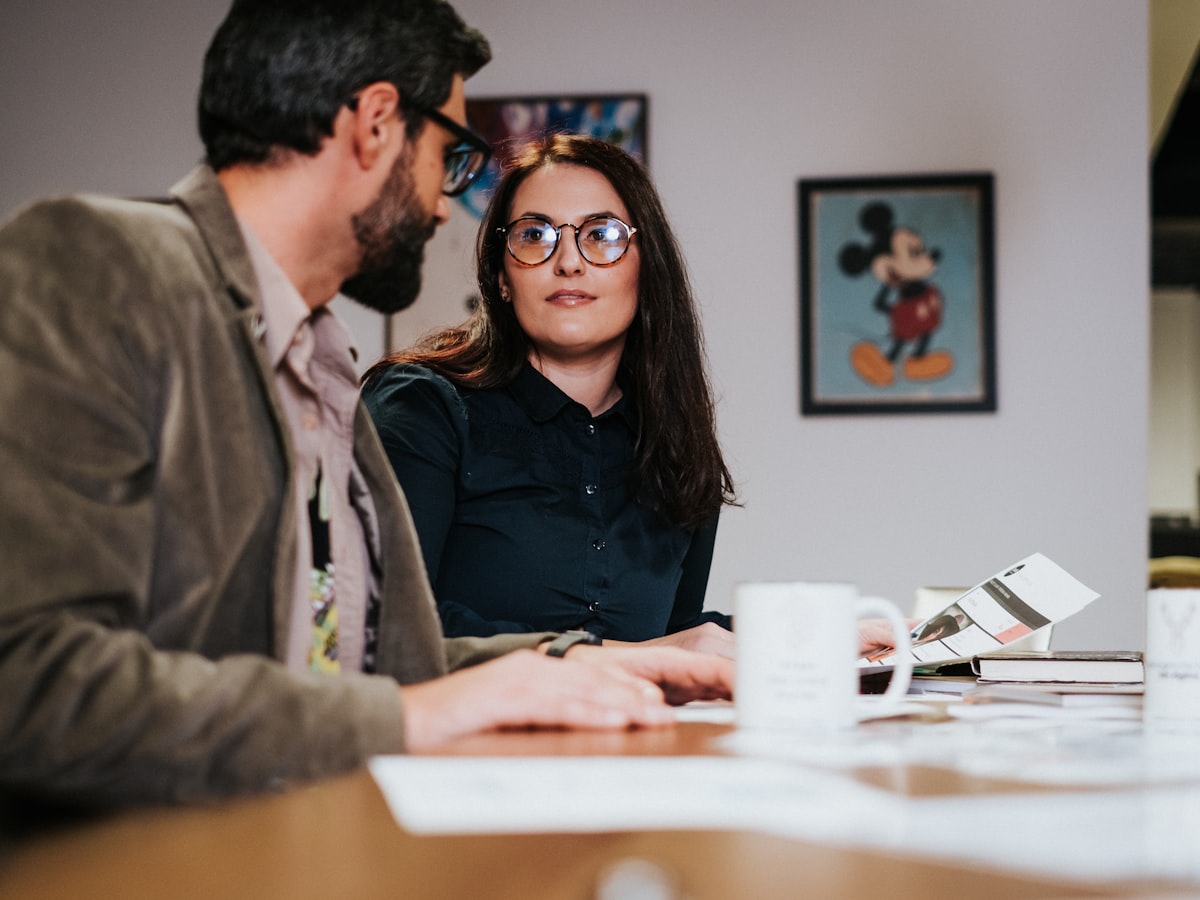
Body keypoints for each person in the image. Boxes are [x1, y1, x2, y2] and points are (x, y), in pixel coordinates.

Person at [0, 0, 735, 816]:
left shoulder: (322, 362)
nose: (438, 204)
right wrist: (413, 715)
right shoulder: (96, 263)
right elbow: (25, 678)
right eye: (449, 157)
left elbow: (367, 664)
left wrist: (582, 661)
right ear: (376, 125)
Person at [362, 135, 736, 657]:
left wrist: (823, 636)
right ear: (502, 276)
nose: (568, 262)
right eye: (535, 234)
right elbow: (384, 623)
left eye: (602, 234)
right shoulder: (422, 407)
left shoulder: (674, 442)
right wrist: (628, 660)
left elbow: (678, 633)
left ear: (647, 270)